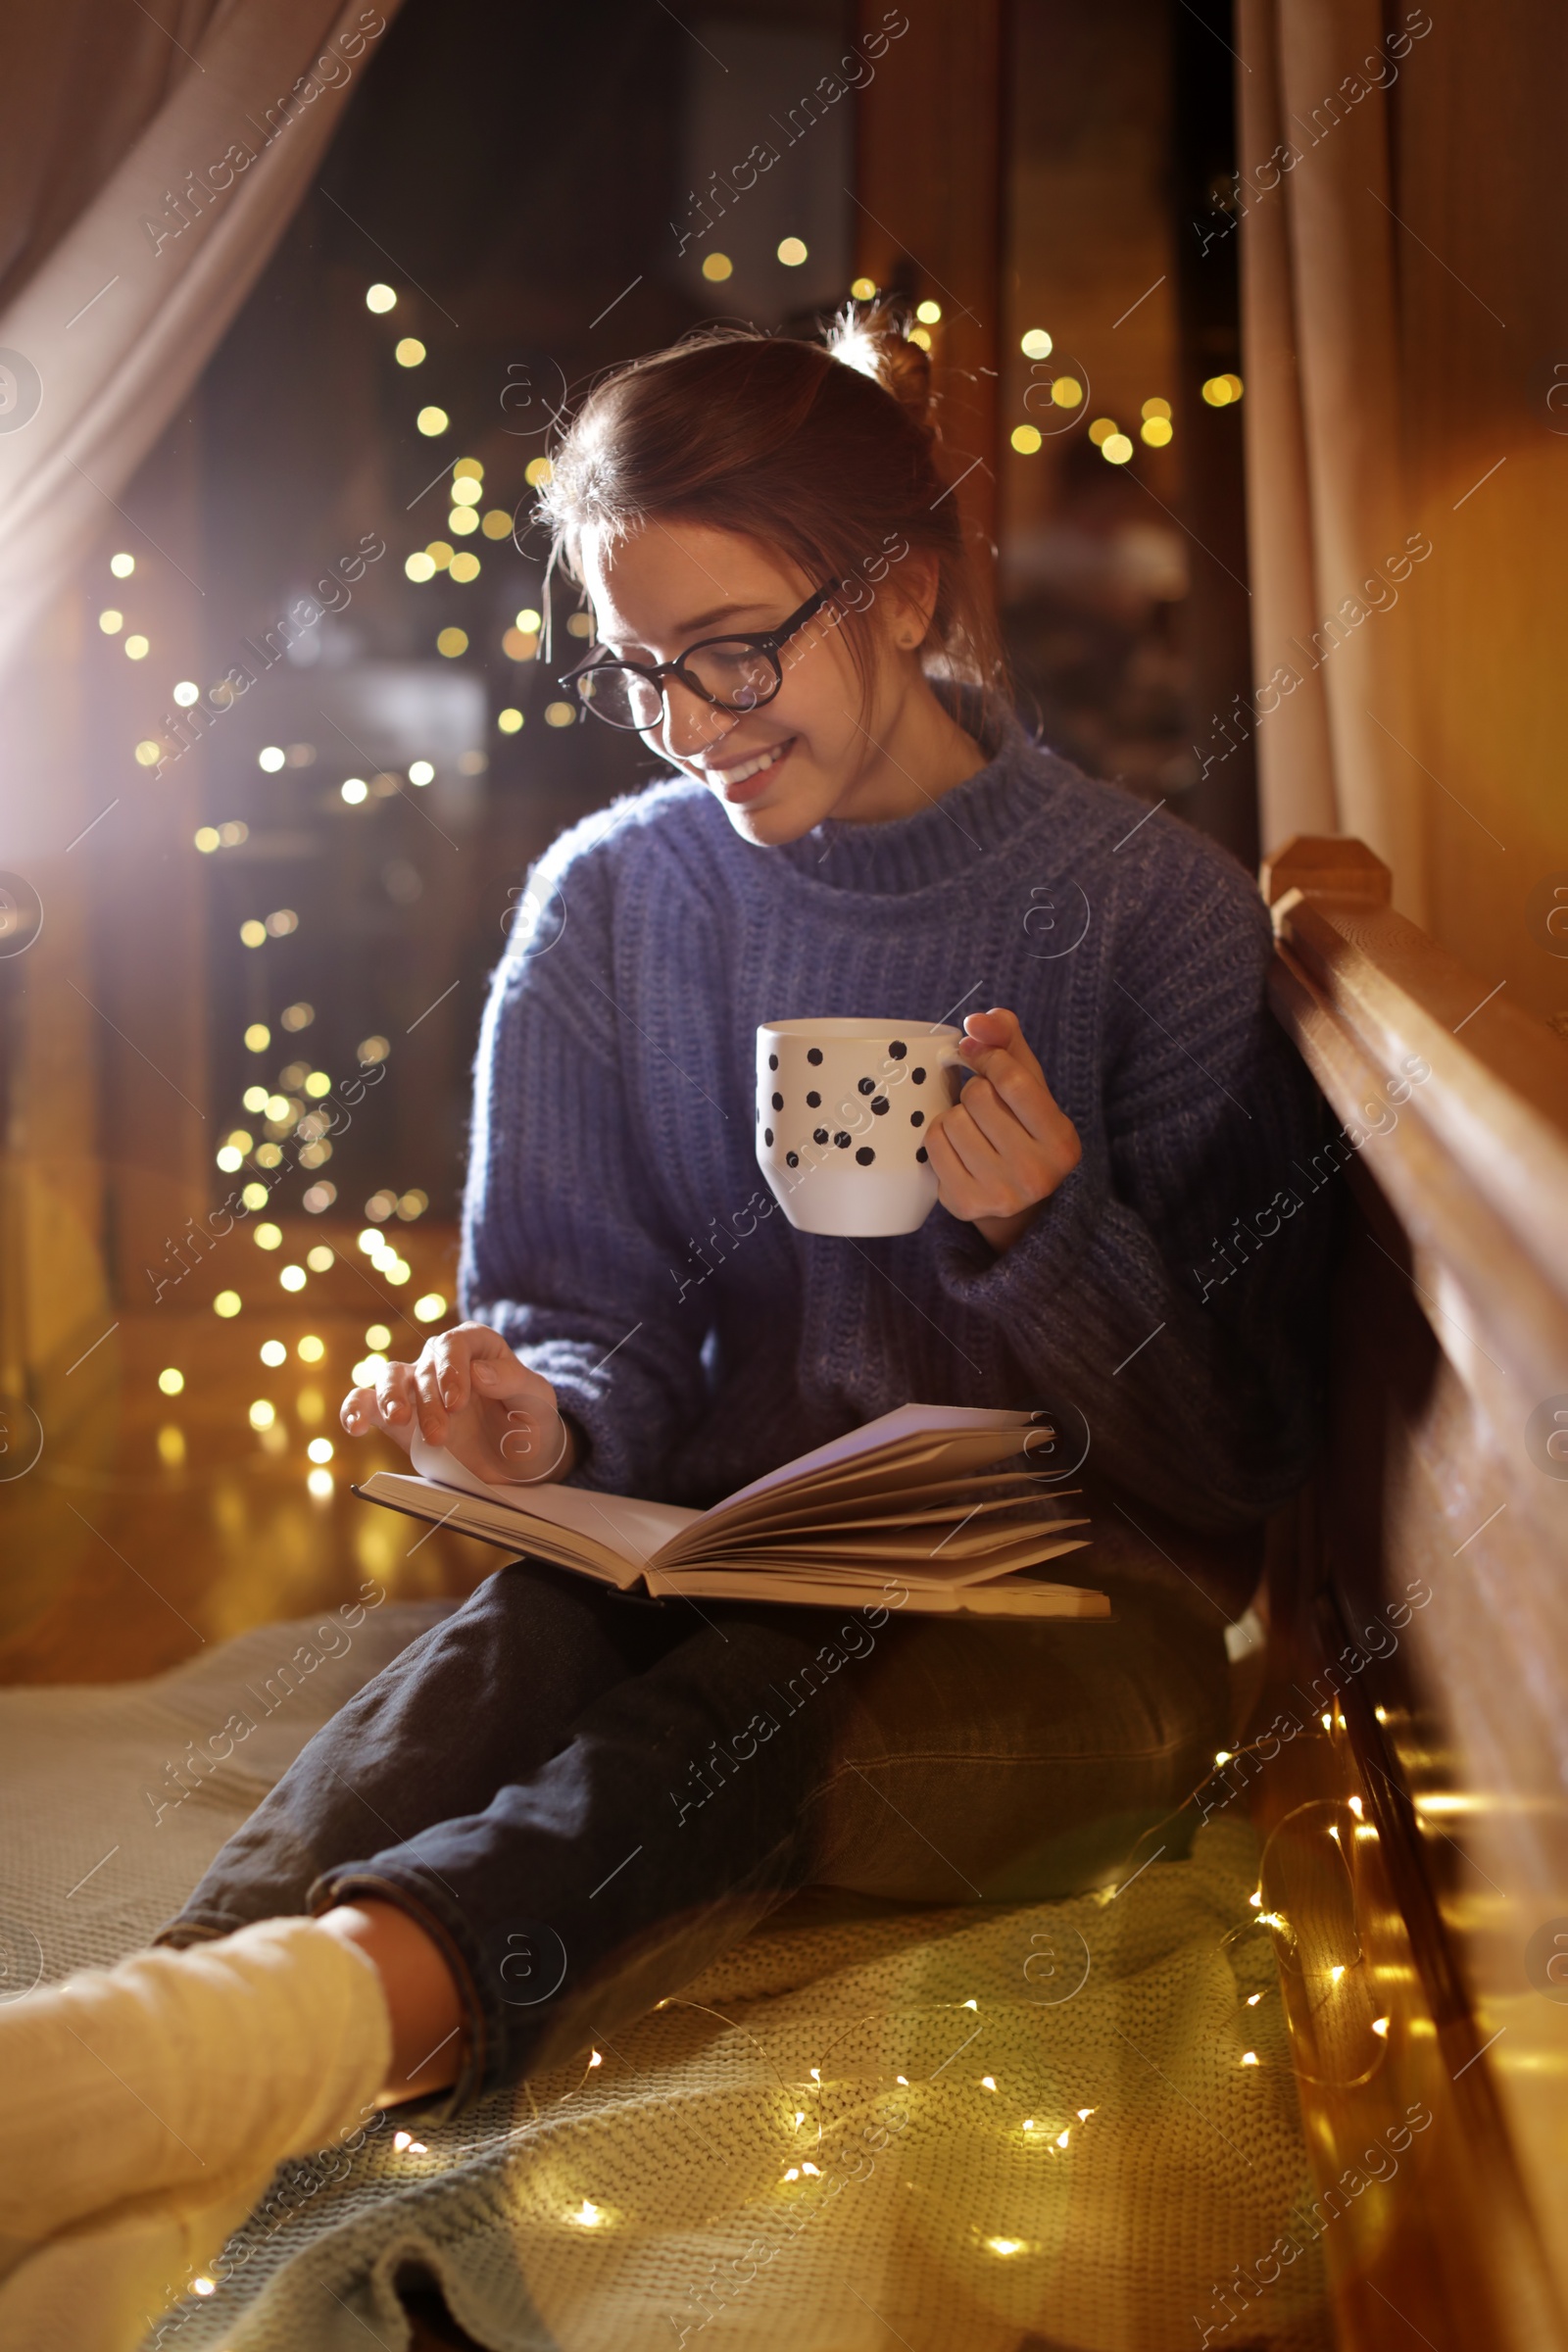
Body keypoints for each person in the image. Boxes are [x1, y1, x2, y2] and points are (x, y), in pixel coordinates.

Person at [0, 308, 1330, 2338]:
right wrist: (537, 1422)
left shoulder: (1147, 916)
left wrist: (1042, 1234)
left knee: (727, 1713)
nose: (692, 723)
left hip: (1072, 1652)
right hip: (717, 1558)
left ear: (896, 589)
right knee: (505, 1652)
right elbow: (578, 1313)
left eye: (732, 652)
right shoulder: (611, 906)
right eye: (638, 671)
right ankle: (168, 2045)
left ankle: (238, 2051)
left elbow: (1235, 1471)